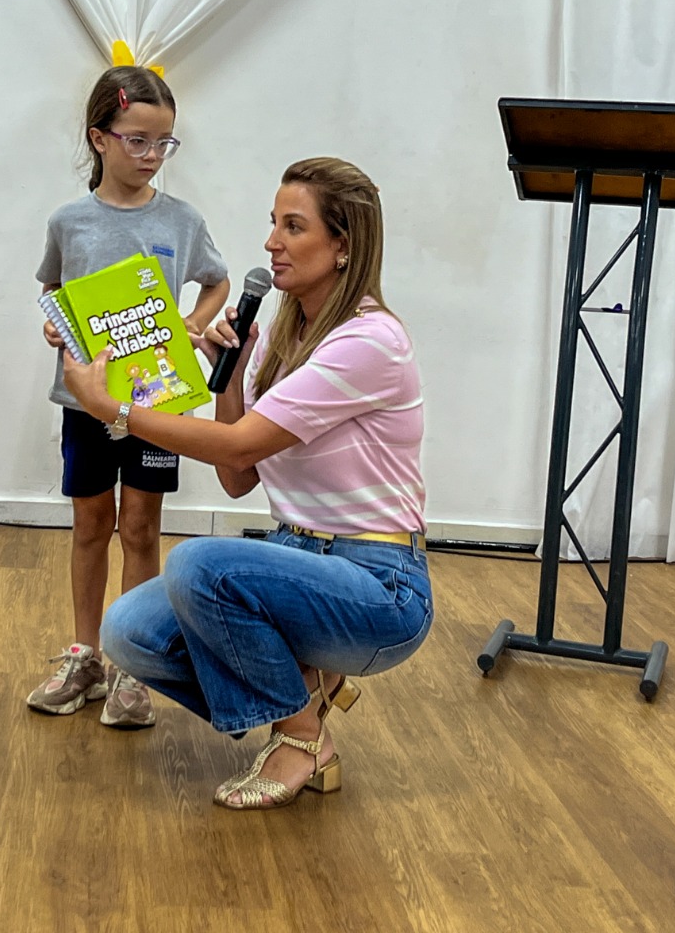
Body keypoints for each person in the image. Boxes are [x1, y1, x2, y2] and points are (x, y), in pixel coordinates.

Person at [64, 156, 432, 809]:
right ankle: (303, 686)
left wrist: (113, 410)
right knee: (128, 631)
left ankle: (301, 736)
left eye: (293, 227)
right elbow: (238, 478)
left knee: (198, 564)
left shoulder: (369, 341)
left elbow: (238, 446)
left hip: (380, 582)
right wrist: (231, 378)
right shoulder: (279, 336)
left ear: (343, 246)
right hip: (297, 553)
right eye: (272, 223)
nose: (270, 243)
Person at [27, 66, 230, 729]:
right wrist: (56, 324)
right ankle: (84, 655)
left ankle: (130, 664)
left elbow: (217, 281)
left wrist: (192, 326)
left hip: (157, 406)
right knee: (91, 524)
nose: (151, 156)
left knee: (141, 527)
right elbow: (54, 294)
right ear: (99, 138)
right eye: (137, 140)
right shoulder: (69, 222)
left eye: (163, 143)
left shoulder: (182, 221)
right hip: (87, 404)